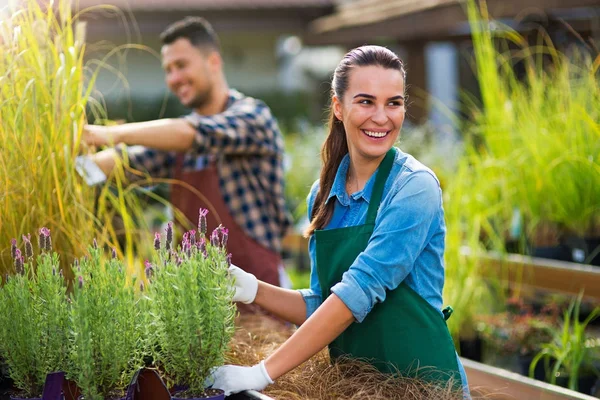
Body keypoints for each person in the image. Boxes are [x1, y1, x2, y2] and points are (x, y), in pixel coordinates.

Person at [211, 45, 470, 398]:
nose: (382, 117)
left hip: (424, 389)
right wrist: (255, 289)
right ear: (338, 107)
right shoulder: (324, 195)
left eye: (393, 103)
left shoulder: (413, 187)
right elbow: (322, 302)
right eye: (366, 101)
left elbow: (357, 293)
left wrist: (261, 373)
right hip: (359, 389)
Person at [80, 16, 291, 287]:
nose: (174, 78)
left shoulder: (253, 116)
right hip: (197, 303)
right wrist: (78, 166)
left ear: (213, 62)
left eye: (181, 65)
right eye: (168, 69)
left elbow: (194, 133)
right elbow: (126, 161)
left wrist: (108, 133)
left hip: (262, 294)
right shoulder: (175, 142)